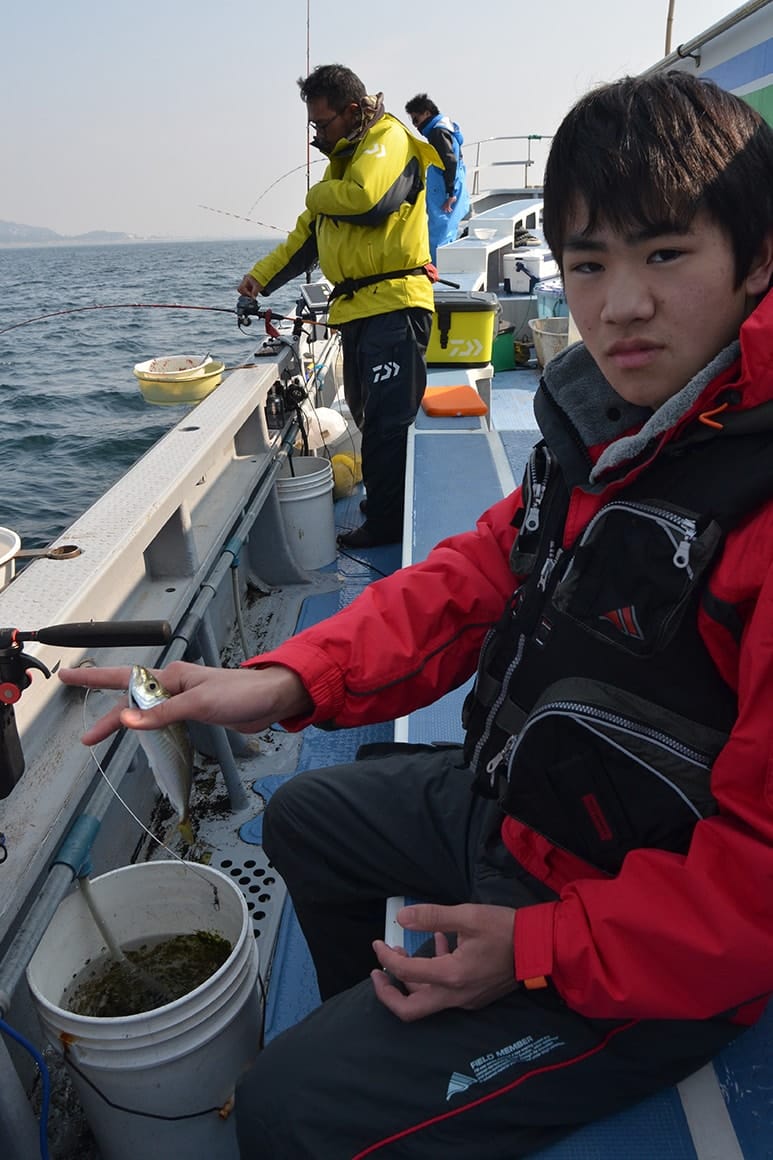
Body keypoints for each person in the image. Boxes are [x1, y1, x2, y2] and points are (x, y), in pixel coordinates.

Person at [61, 71, 773, 1158]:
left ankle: (391, 1068)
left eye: (663, 254)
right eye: (586, 263)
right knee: (302, 820)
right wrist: (287, 675)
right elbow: (468, 583)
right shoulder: (609, 426)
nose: (617, 303)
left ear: (755, 257)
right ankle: (397, 1036)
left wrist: (533, 948)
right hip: (531, 811)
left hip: (639, 941)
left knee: (285, 1108)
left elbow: (754, 892)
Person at [238, 64, 439, 549]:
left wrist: (315, 192)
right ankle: (386, 502)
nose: (316, 136)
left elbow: (369, 201)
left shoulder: (388, 139)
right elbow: (304, 237)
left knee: (389, 423)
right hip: (358, 312)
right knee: (369, 417)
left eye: (322, 124)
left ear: (352, 111)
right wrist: (258, 281)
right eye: (313, 125)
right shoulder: (341, 164)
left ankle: (390, 524)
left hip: (395, 305)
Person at [405, 93, 471, 262]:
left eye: (416, 120)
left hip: (443, 189)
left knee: (439, 234)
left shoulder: (437, 133)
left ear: (427, 113)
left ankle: (438, 273)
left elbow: (449, 161)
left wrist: (450, 194)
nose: (416, 126)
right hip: (449, 185)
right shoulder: (446, 128)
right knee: (447, 230)